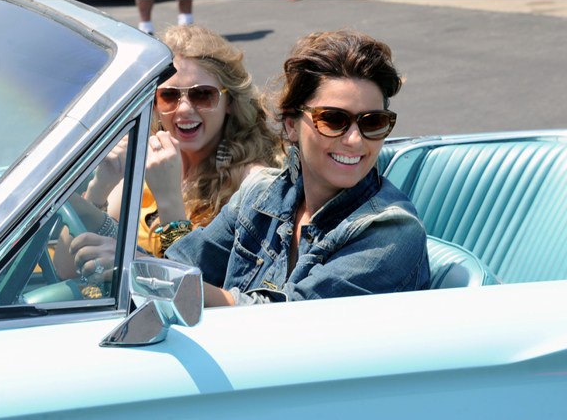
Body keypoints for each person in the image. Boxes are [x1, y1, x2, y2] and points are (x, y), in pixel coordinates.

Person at [165, 28, 431, 307]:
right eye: (333, 119)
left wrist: (164, 282)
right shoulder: (258, 195)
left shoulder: (391, 232)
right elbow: (181, 265)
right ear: (292, 126)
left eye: (373, 122)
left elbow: (289, 317)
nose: (355, 139)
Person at [53, 24, 283, 280]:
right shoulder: (143, 165)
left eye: (202, 95)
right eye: (169, 96)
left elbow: (195, 288)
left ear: (229, 101)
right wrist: (100, 188)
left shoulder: (253, 183)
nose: (184, 109)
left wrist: (169, 199)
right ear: (154, 104)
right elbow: (65, 271)